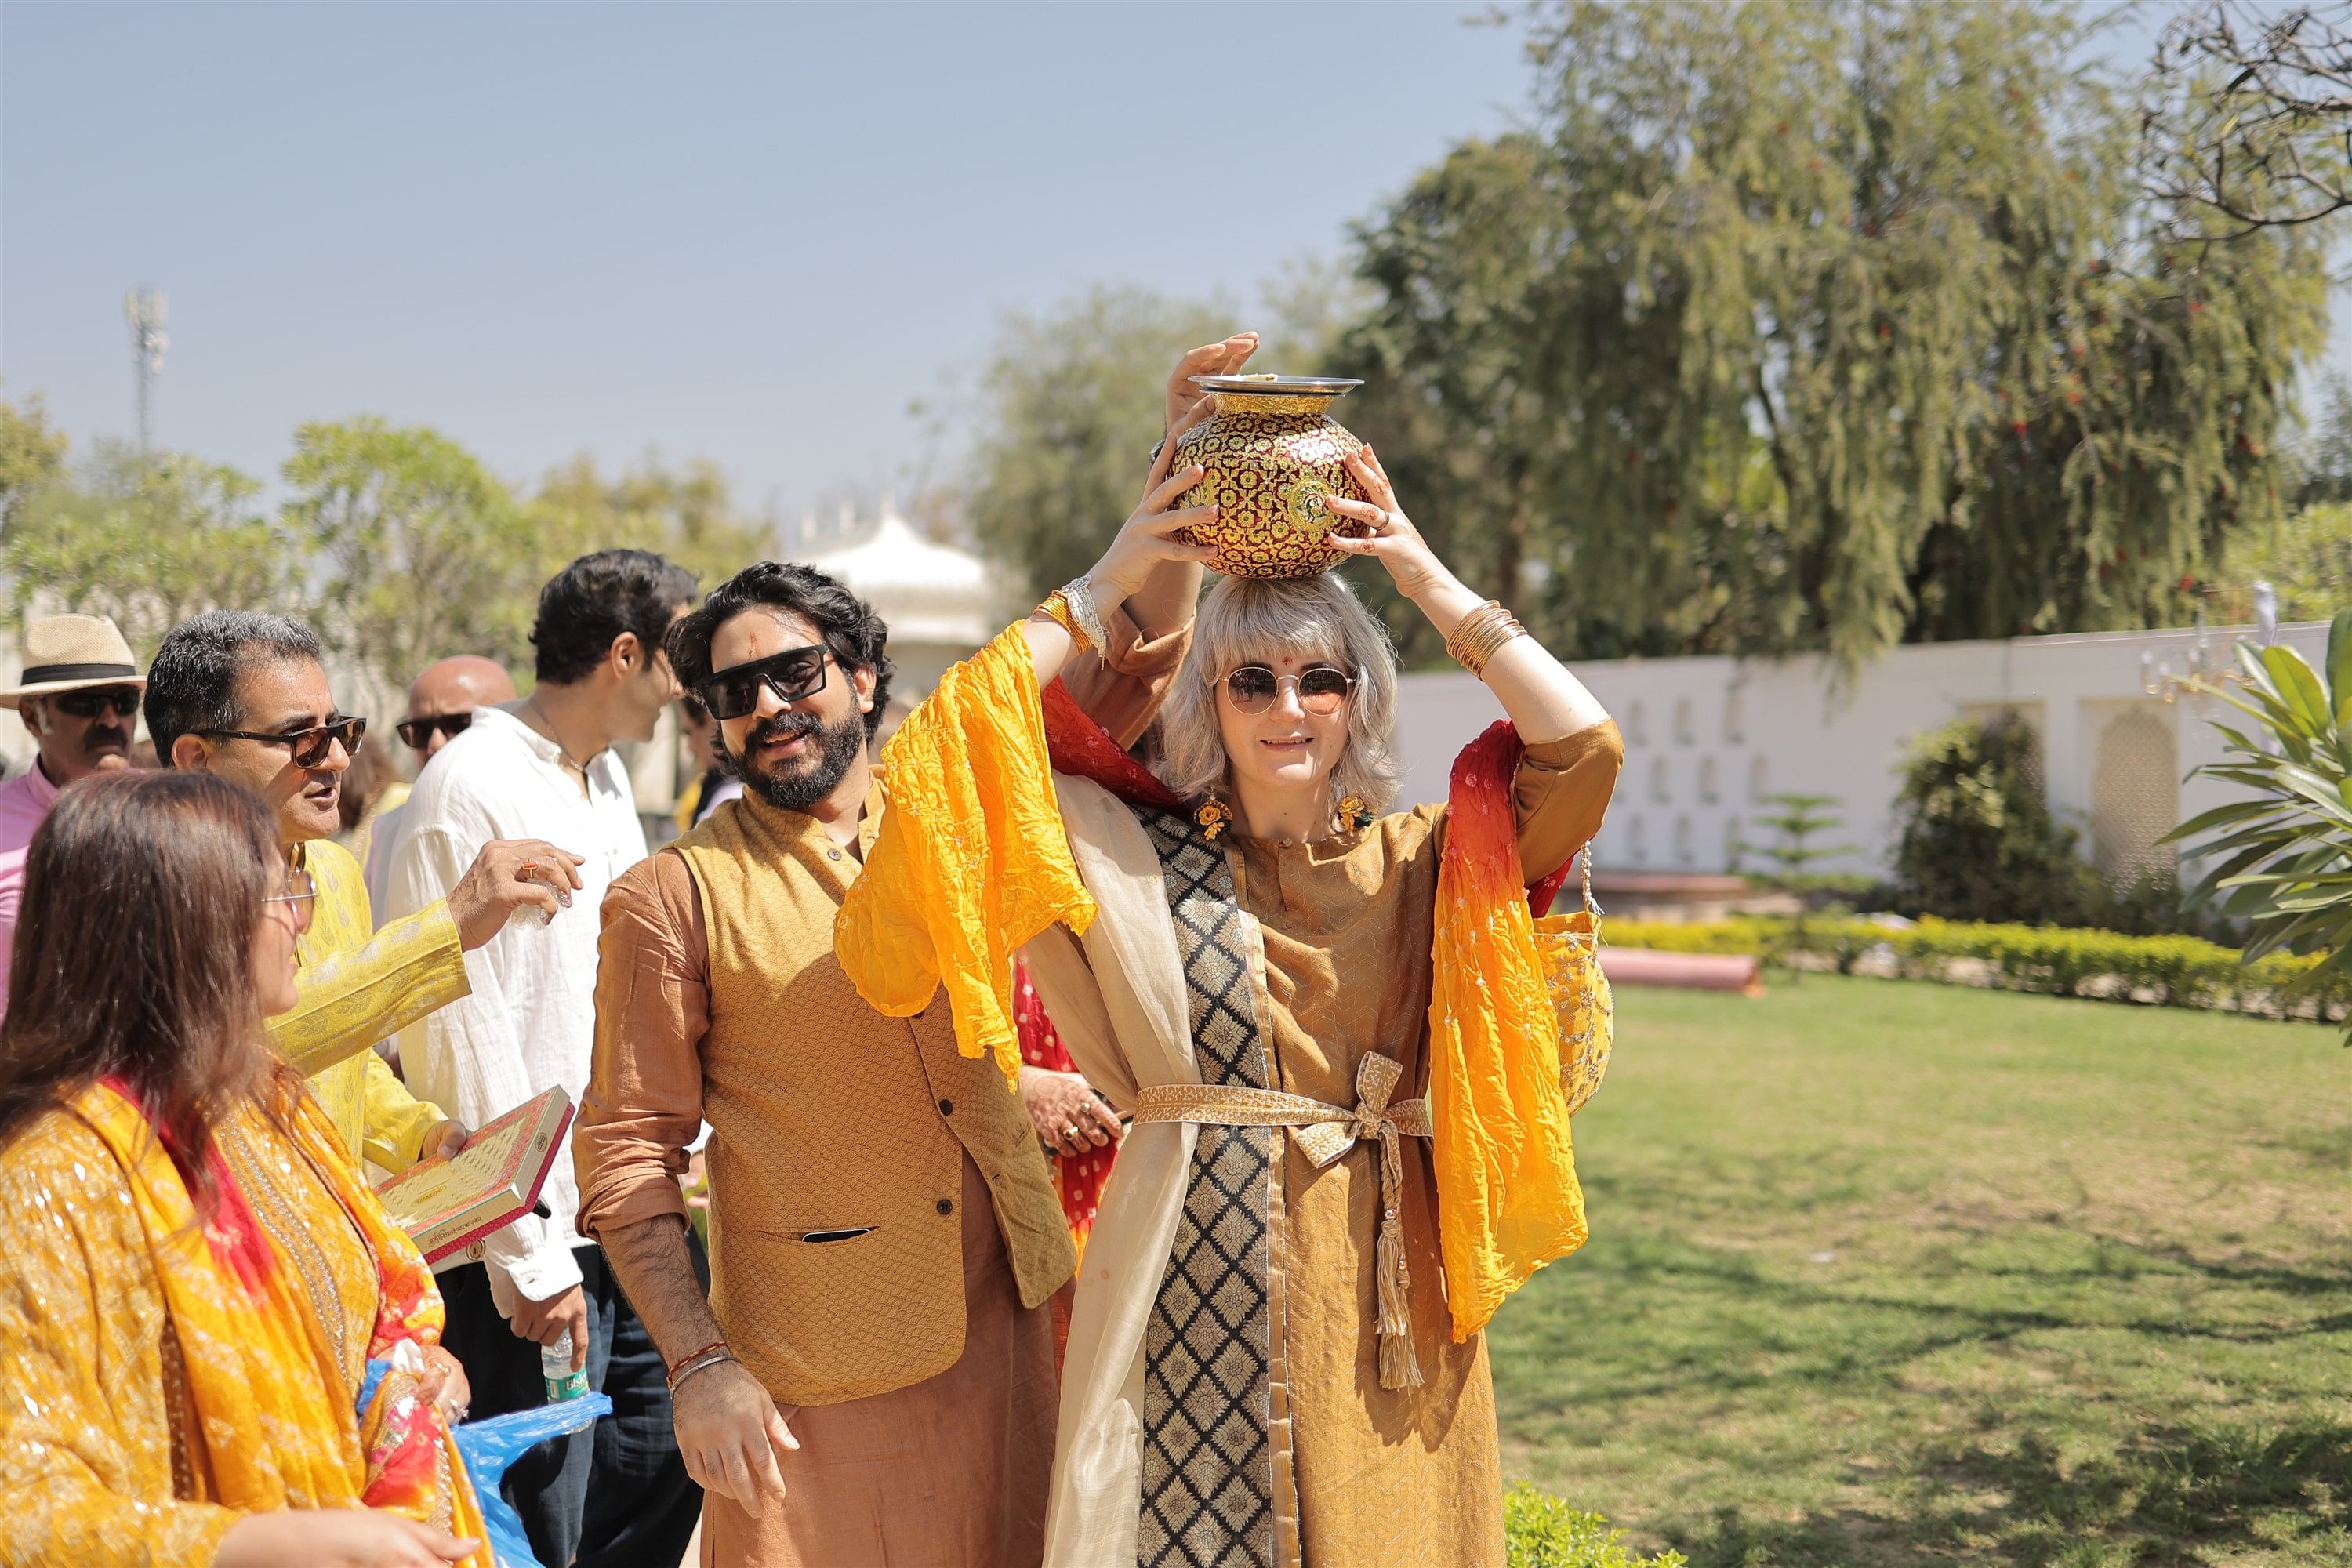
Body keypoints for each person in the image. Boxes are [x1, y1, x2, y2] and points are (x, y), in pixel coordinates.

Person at [837, 419, 1624, 1563]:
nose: (1287, 707)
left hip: (1389, 1287)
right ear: (1209, 699)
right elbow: (953, 754)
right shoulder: (1122, 858)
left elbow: (1585, 750)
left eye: (1321, 678)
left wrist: (1417, 568)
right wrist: (1110, 578)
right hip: (1183, 1268)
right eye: (1250, 679)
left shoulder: (1432, 862)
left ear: (1360, 697)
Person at [573, 335, 1253, 1568]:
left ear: (863, 676)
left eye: (798, 672)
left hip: (1016, 1319)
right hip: (812, 1374)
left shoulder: (961, 815)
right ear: (714, 729)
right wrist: (702, 1364)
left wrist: (1184, 467)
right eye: (737, 694)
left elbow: (1131, 669)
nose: (772, 707)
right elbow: (627, 1159)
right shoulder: (670, 898)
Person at [0, 769, 489, 1568]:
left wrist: (421, 1371)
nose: (303, 919)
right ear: (194, 926)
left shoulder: (267, 1100)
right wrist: (262, 1540)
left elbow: (379, 1294)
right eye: (280, 893)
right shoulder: (57, 1175)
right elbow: (23, 1506)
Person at [384, 550, 702, 1568]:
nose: (685, 685)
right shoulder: (468, 783)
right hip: (519, 1244)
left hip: (622, 1209)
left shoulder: (605, 781)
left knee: (662, 1469)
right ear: (625, 654)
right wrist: (524, 1249)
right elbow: (456, 1034)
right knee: (541, 1523)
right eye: (678, 656)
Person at [144, 612, 572, 1175]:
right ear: (197, 758)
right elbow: (258, 1044)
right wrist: (449, 924)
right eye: (301, 739)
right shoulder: (154, 888)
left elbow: (341, 1051)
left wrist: (416, 1132)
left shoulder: (335, 870)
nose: (338, 759)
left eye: (338, 729)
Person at [0, 613, 146, 1018]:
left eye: (124, 700)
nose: (110, 719)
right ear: (32, 717)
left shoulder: (172, 816)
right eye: (86, 703)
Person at [369, 656, 518, 915]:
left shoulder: (555, 806)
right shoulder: (392, 831)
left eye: (459, 726)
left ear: (513, 725)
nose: (435, 744)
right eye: (420, 730)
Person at [673, 692, 742, 833]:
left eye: (689, 732)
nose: (689, 747)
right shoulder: (723, 788)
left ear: (711, 722)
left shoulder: (729, 798)